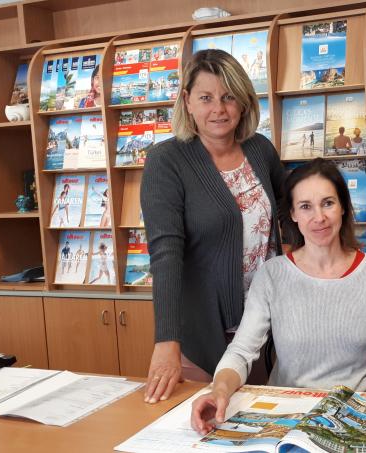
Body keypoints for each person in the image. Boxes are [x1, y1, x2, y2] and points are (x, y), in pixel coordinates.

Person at [189, 158, 366, 434]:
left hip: (355, 418)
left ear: (344, 207)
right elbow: (241, 351)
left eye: (328, 203)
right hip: (286, 419)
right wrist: (219, 391)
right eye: (306, 207)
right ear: (293, 214)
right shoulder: (272, 275)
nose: (318, 217)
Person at [141, 49, 284, 404]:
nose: (218, 109)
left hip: (263, 328)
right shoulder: (166, 161)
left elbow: (290, 214)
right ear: (187, 101)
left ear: (243, 102)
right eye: (206, 98)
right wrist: (166, 342)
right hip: (201, 334)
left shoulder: (260, 149)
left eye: (228, 96)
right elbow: (166, 253)